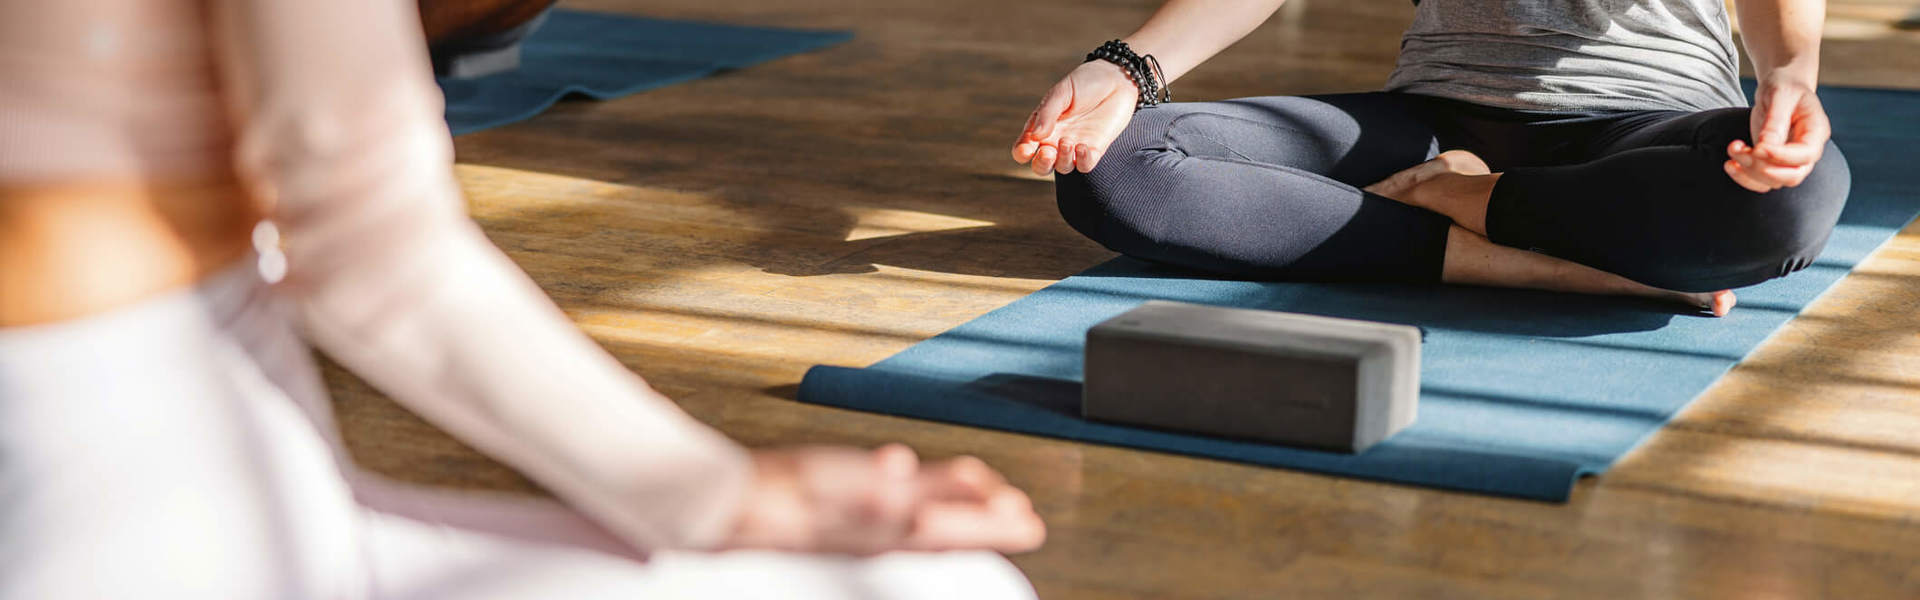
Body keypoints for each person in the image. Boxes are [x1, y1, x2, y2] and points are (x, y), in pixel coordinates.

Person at [0, 0, 1042, 598]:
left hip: (124, 466)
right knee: (938, 587)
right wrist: (719, 494)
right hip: (126, 501)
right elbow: (370, 250)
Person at [1013, 0, 1852, 317]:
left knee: (1790, 200)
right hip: (1432, 122)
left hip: (1645, 122)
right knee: (1113, 165)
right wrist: (1129, 68)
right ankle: (1548, 262)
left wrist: (1789, 80)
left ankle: (1477, 205)